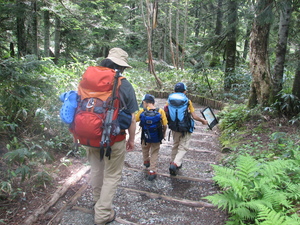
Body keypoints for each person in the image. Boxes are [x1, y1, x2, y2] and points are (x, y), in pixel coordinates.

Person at [84, 48, 139, 225]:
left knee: (96, 169)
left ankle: (96, 201)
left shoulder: (89, 79)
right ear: (122, 67)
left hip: (89, 135)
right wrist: (131, 139)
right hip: (114, 139)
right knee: (112, 174)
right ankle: (102, 213)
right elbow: (131, 118)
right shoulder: (124, 84)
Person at [167, 82, 208, 176]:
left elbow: (166, 111)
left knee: (176, 145)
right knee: (183, 146)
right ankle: (175, 163)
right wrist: (202, 121)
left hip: (173, 126)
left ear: (174, 91)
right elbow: (194, 116)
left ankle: (173, 162)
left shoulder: (169, 99)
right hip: (185, 127)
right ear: (184, 91)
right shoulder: (187, 101)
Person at [135, 94, 168, 181]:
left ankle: (146, 161)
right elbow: (165, 125)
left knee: (144, 148)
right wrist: (163, 134)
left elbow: (135, 119)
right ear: (153, 102)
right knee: (154, 151)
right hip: (156, 136)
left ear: (145, 102)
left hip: (145, 136)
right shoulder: (160, 111)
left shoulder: (142, 111)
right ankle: (152, 170)